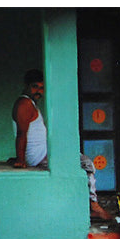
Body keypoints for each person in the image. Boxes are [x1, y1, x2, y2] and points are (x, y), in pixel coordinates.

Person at [11, 69, 111, 221]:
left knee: (84, 163)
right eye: (35, 87)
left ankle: (90, 205)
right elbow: (21, 133)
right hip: (39, 157)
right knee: (87, 164)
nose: (38, 91)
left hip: (43, 153)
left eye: (41, 88)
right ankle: (94, 206)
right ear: (26, 85)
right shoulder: (24, 104)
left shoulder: (30, 103)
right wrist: (20, 159)